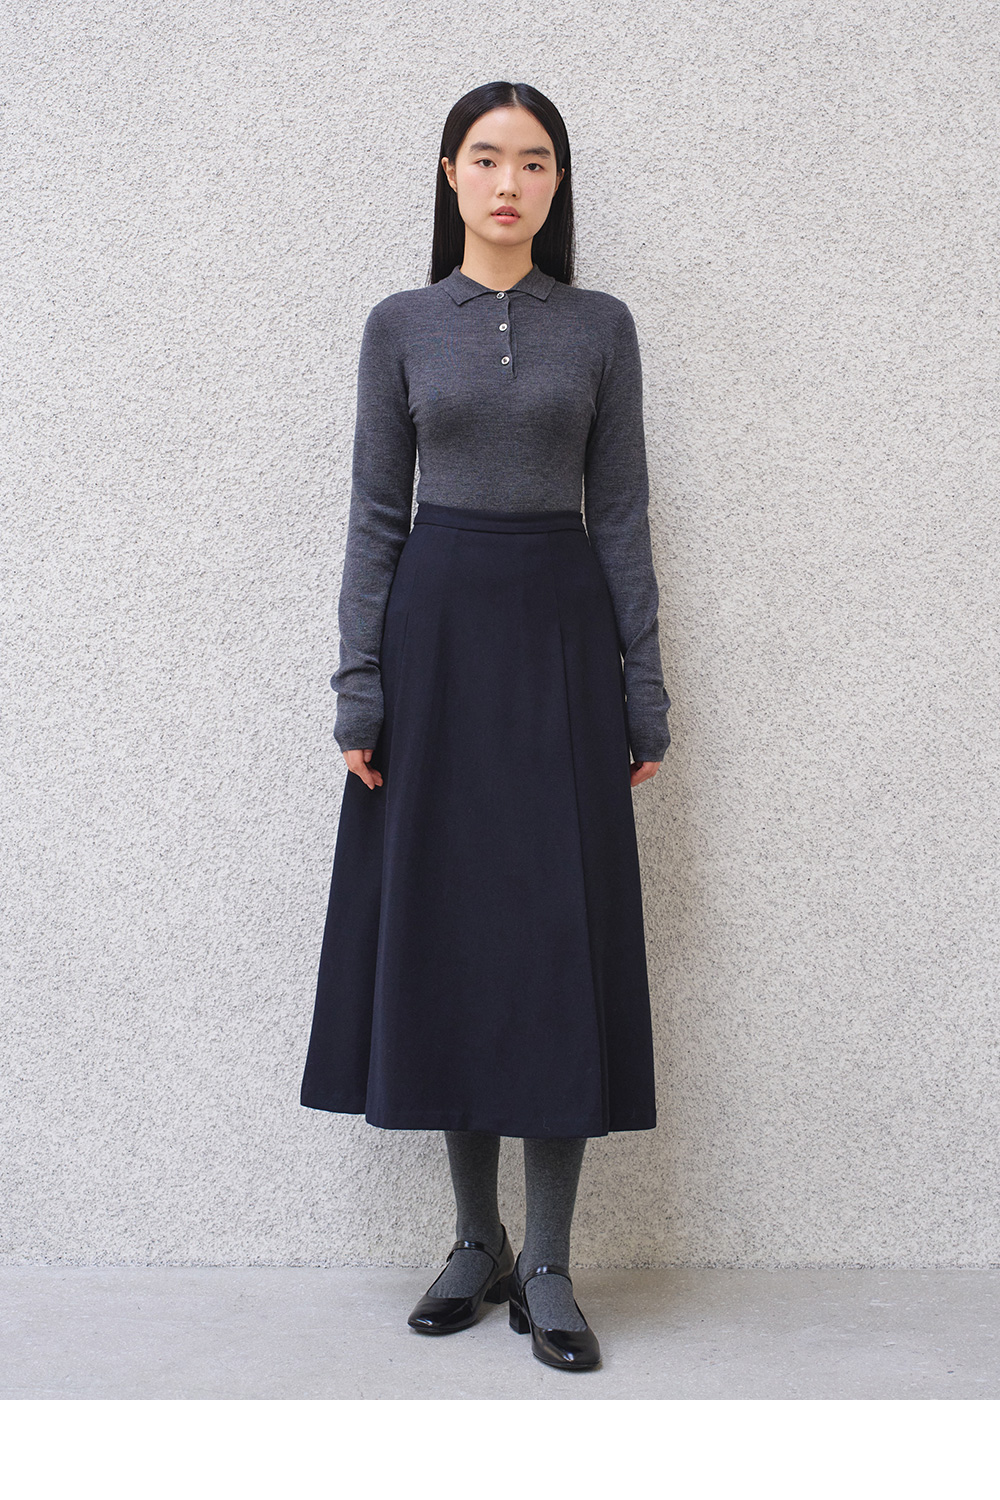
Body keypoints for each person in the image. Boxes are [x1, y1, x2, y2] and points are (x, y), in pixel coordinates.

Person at [300, 80, 671, 1373]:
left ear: (557, 183)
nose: (510, 182)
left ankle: (551, 1263)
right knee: (455, 936)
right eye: (487, 158)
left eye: (535, 161)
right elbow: (375, 517)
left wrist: (641, 687)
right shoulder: (401, 326)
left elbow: (621, 515)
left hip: (560, 643)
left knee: (554, 937)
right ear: (450, 175)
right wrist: (359, 685)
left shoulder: (601, 329)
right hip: (438, 649)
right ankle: (477, 1241)